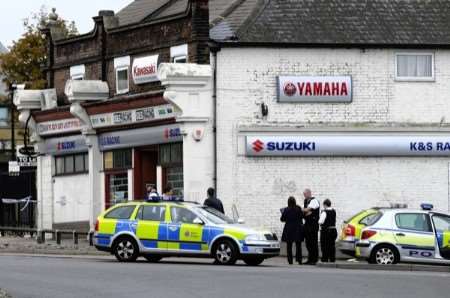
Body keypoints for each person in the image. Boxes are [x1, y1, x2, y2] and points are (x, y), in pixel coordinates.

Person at [280, 196, 304, 265]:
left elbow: (282, 219)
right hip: (297, 228)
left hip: (289, 229)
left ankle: (290, 261)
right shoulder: (298, 208)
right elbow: (302, 216)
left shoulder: (286, 210)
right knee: (298, 245)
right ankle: (299, 260)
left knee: (289, 246)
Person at [303, 188, 320, 265]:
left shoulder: (314, 201)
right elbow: (305, 211)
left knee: (313, 243)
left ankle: (314, 259)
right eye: (304, 194)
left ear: (309, 193)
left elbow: (307, 210)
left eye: (305, 194)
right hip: (307, 225)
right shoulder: (306, 201)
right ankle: (310, 259)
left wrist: (306, 210)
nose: (304, 196)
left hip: (313, 226)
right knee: (308, 243)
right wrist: (306, 211)